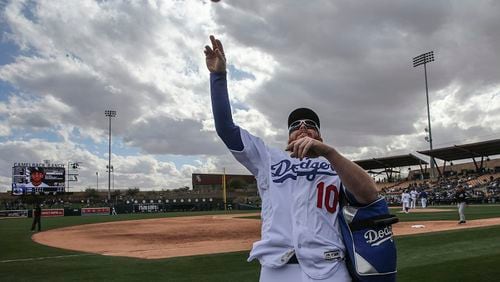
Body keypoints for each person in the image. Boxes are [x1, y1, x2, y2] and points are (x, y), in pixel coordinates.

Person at [205, 35, 378, 282]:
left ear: (320, 134)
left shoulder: (335, 164)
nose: (303, 127)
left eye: (311, 124)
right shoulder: (267, 158)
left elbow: (370, 194)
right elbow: (225, 129)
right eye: (295, 125)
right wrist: (218, 77)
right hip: (278, 270)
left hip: (329, 269)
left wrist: (330, 153)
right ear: (288, 136)